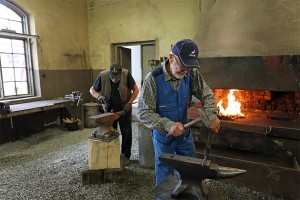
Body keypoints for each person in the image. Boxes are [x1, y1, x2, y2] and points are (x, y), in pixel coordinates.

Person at [137, 39, 220, 186]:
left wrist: (211, 115)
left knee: (190, 172)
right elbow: (143, 112)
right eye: (183, 65)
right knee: (165, 176)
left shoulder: (191, 73)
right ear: (171, 57)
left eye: (190, 66)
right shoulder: (153, 79)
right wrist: (168, 125)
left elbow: (207, 95)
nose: (186, 70)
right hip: (164, 136)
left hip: (184, 134)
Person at [90, 63, 139, 160]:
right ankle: (113, 155)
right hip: (109, 110)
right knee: (111, 133)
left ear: (121, 74)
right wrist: (99, 96)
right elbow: (92, 90)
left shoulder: (126, 74)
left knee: (126, 133)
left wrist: (129, 103)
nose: (114, 79)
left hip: (124, 109)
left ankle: (125, 156)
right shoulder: (103, 75)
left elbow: (136, 90)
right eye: (112, 77)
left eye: (117, 77)